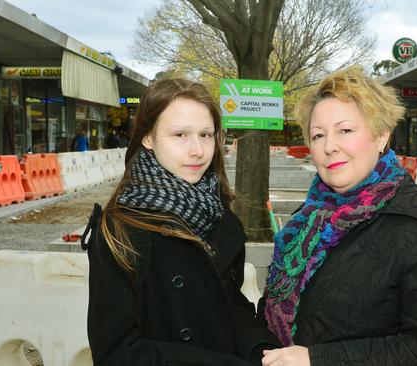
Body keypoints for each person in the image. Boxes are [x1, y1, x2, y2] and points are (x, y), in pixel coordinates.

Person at [259, 66, 417, 366]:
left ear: (381, 136)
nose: (330, 146)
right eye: (318, 135)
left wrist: (317, 360)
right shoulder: (309, 218)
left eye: (345, 130)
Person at [83, 78, 280, 365]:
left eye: (206, 135)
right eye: (180, 135)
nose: (197, 150)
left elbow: (229, 306)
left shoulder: (221, 217)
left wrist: (262, 350)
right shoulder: (120, 230)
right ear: (148, 137)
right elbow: (116, 351)